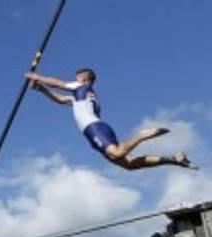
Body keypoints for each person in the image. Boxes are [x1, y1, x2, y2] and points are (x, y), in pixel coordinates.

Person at [26, 69, 196, 171]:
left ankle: (141, 135)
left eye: (76, 77)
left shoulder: (82, 87)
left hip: (94, 128)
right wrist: (40, 89)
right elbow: (60, 99)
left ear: (84, 79)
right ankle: (173, 159)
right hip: (96, 130)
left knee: (117, 153)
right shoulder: (83, 98)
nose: (74, 80)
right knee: (129, 164)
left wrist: (37, 76)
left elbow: (57, 84)